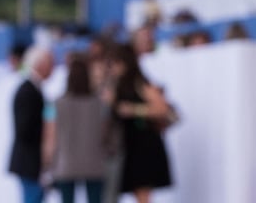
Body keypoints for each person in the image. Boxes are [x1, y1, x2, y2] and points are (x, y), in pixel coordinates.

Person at [108, 43, 173, 203]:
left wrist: (134, 110)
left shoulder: (140, 83)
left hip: (143, 146)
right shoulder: (117, 85)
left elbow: (162, 108)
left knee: (143, 193)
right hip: (127, 145)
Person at [51, 53, 108, 203]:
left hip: (66, 164)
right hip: (94, 162)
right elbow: (105, 132)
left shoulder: (56, 104)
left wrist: (47, 163)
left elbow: (50, 137)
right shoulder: (100, 104)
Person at [8, 45, 56, 203]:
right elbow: (24, 128)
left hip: (32, 162)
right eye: (50, 63)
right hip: (29, 161)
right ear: (40, 65)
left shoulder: (35, 89)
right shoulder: (28, 91)